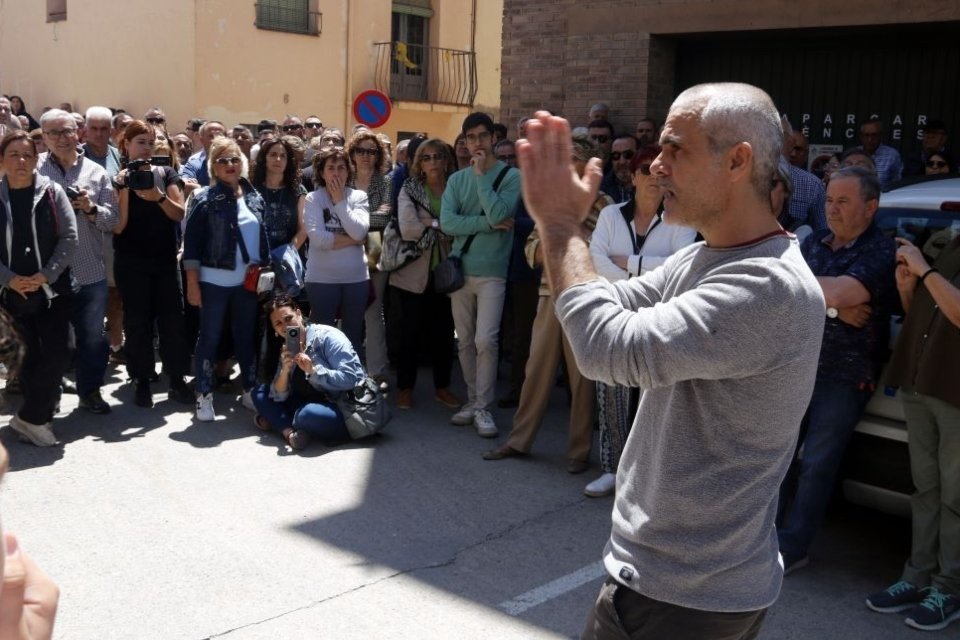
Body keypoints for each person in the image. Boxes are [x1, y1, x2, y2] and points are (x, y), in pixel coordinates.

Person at [516, 83, 824, 639]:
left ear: (737, 161)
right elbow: (608, 305)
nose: (656, 166)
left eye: (675, 148)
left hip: (682, 599)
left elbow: (605, 346)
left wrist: (561, 228)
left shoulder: (766, 286)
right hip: (680, 586)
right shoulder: (704, 258)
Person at [776, 167, 896, 574]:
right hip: (801, 367)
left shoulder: (882, 249)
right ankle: (763, 537)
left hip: (845, 378)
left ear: (870, 207)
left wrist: (824, 295)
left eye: (843, 201)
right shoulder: (815, 244)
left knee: (817, 465)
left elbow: (842, 291)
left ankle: (793, 546)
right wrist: (831, 306)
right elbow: (785, 291)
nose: (832, 209)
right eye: (828, 200)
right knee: (781, 457)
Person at [482, 134, 610, 473]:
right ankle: (519, 440)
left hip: (585, 298)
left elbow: (591, 248)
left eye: (572, 162)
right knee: (535, 370)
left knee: (582, 378)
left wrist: (558, 242)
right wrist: (560, 242)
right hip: (547, 295)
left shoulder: (605, 204)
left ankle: (579, 451)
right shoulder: (552, 201)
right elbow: (533, 249)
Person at [583, 145, 696, 495]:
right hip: (615, 312)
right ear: (632, 177)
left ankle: (646, 475)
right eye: (646, 169)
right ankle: (612, 469)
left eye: (662, 172)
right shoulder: (611, 215)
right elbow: (596, 259)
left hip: (660, 317)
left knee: (654, 398)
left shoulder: (681, 219)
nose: (654, 177)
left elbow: (680, 266)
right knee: (611, 391)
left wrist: (629, 264)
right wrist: (642, 276)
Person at [864, 236, 960, 631]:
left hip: (954, 393)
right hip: (921, 383)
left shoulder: (937, 258)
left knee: (956, 497)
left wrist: (926, 271)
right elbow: (925, 313)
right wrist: (909, 289)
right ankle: (917, 577)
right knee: (926, 489)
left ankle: (949, 589)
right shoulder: (953, 244)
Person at [440, 112, 521, 438]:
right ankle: (473, 402)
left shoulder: (510, 176)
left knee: (486, 340)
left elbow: (502, 212)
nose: (477, 143)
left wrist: (481, 176)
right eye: (471, 137)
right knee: (464, 342)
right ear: (464, 141)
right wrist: (487, 224)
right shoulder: (456, 180)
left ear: (492, 139)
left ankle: (483, 407)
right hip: (460, 270)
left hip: (493, 273)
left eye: (482, 137)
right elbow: (448, 223)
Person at [37, 109, 119, 415]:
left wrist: (91, 207)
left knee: (92, 337)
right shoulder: (35, 171)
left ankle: (90, 391)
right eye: (53, 133)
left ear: (79, 133)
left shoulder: (96, 173)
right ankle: (49, 393)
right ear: (43, 137)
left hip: (88, 270)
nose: (61, 138)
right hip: (48, 272)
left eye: (67, 131)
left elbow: (112, 220)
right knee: (51, 339)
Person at [183, 137, 270, 422]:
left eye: (234, 159)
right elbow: (192, 247)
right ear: (213, 167)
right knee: (209, 339)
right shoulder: (204, 198)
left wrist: (265, 275)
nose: (230, 165)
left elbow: (263, 239)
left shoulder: (254, 195)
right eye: (222, 160)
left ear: (242, 162)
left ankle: (249, 390)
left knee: (246, 338)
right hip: (213, 283)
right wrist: (193, 285)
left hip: (247, 284)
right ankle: (203, 394)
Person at [0, 131, 78, 446]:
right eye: (14, 154)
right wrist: (8, 278)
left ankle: (29, 418)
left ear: (36, 159)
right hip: (12, 294)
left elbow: (69, 238)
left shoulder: (51, 191)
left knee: (63, 351)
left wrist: (46, 274)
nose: (21, 161)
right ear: (2, 160)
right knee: (28, 357)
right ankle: (37, 418)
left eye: (28, 155)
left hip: (51, 291)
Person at [112, 120, 194, 408]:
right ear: (126, 145)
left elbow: (178, 212)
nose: (146, 148)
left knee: (173, 319)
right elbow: (119, 226)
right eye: (140, 142)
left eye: (150, 142)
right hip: (131, 260)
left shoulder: (167, 172)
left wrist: (157, 196)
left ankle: (176, 379)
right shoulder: (120, 177)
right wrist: (122, 188)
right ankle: (142, 379)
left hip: (163, 259)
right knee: (137, 322)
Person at [389, 138, 460, 410]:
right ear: (419, 162)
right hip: (412, 272)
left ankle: (442, 388)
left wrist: (430, 223)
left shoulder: (455, 187)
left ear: (445, 160)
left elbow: (461, 225)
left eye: (437, 156)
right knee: (410, 334)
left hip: (446, 271)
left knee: (443, 334)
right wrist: (442, 225)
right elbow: (408, 228)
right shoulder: (410, 187)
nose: (432, 162)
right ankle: (405, 389)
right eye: (426, 157)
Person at [251, 294, 366, 450]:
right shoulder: (287, 346)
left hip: (342, 406)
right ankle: (290, 433)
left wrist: (313, 370)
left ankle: (279, 420)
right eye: (278, 323)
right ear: (275, 330)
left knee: (307, 414)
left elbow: (351, 379)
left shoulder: (327, 337)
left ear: (299, 313)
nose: (285, 326)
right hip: (306, 401)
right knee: (259, 392)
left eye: (288, 318)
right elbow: (278, 395)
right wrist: (285, 370)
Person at [303, 145, 370, 354]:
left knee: (352, 336)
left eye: (341, 167)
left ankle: (352, 381)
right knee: (323, 335)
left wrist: (340, 201)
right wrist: (352, 240)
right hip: (321, 279)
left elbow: (359, 232)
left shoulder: (358, 197)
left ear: (348, 171)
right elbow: (317, 239)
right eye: (331, 167)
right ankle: (323, 381)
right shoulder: (313, 199)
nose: (336, 172)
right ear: (322, 172)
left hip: (355, 279)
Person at [345, 130, 392, 382]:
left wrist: (351, 221)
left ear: (378, 155)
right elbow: (333, 213)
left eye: (371, 151)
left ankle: (377, 370)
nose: (365, 156)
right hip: (343, 248)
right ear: (352, 154)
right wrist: (361, 222)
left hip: (375, 246)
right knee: (346, 309)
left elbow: (384, 216)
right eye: (360, 150)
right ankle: (343, 365)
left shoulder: (385, 183)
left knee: (373, 311)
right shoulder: (343, 179)